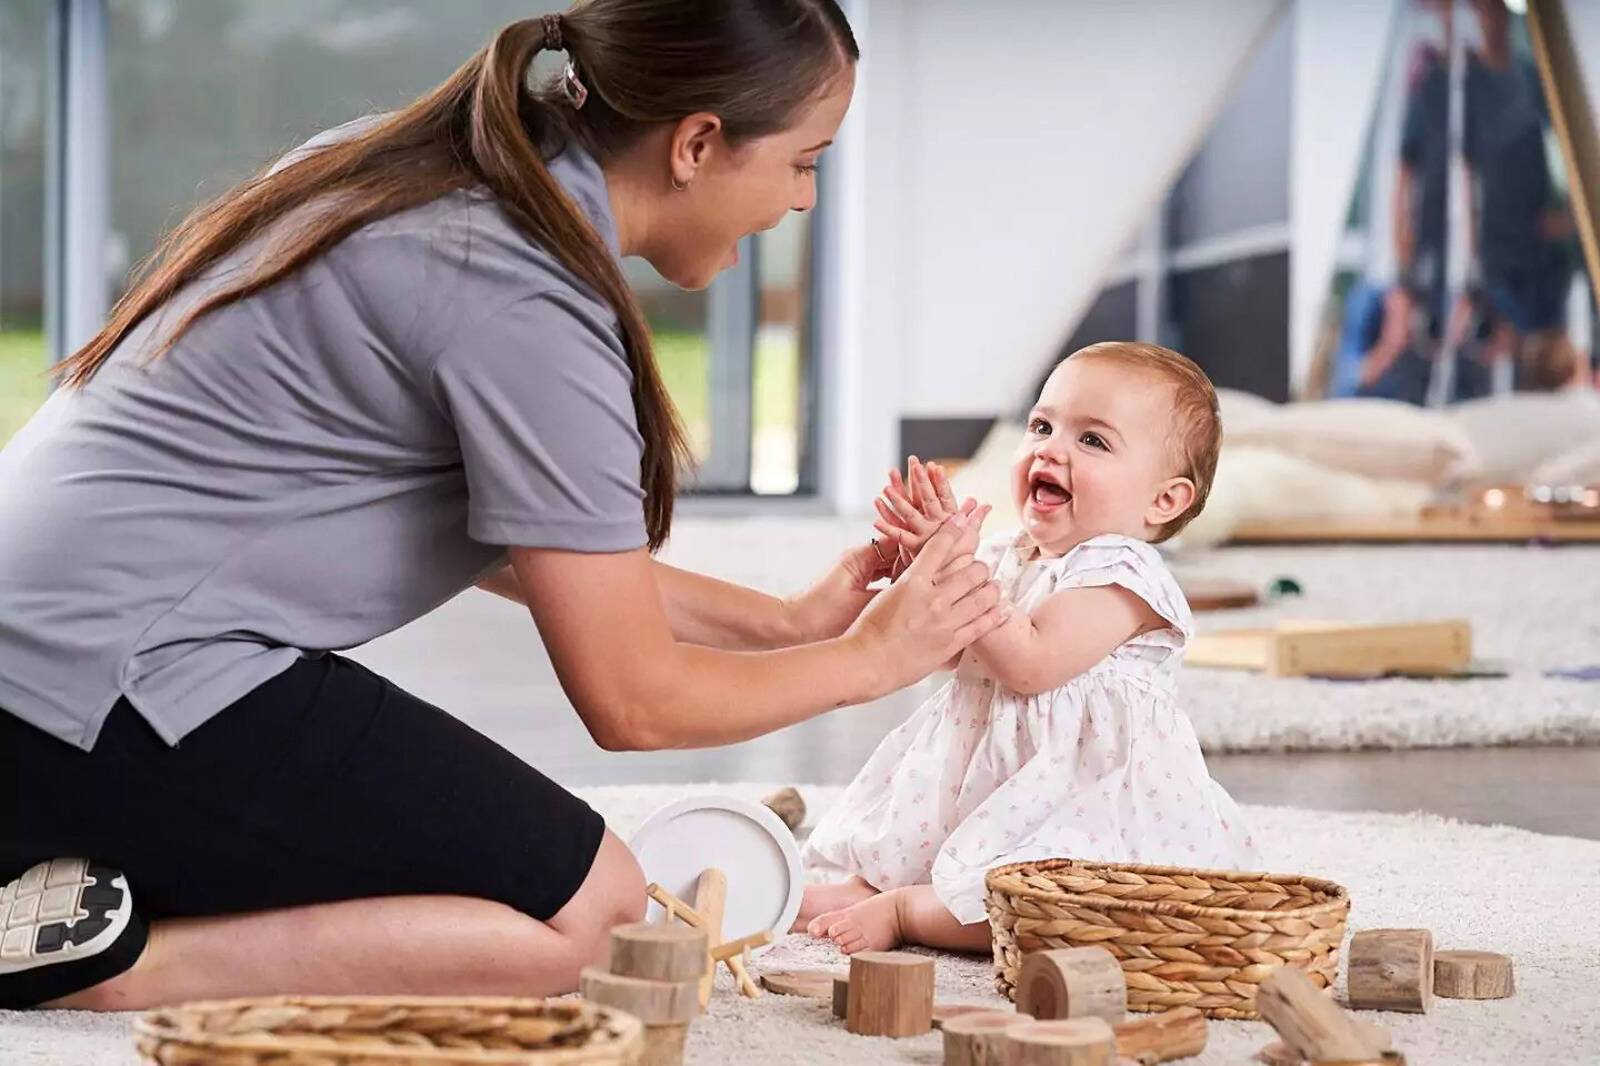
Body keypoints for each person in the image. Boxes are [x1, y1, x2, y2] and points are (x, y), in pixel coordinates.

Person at [0, 1, 1009, 1010]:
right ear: (698, 143)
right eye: (803, 160)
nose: (803, 199)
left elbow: (546, 556)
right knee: (600, 922)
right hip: (100, 693)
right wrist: (872, 661)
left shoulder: (417, 176)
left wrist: (789, 623)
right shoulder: (523, 296)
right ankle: (103, 963)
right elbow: (633, 699)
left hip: (53, 660)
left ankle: (63, 861)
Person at [797, 343, 1259, 954]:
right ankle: (867, 886)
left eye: (1092, 441)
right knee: (909, 837)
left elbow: (1032, 664)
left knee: (1045, 904)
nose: (1050, 448)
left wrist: (959, 570)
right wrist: (923, 572)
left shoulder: (1126, 574)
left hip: (1079, 789)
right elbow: (944, 653)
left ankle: (909, 911)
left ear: (1163, 501)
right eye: (1042, 425)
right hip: (984, 772)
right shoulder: (1007, 554)